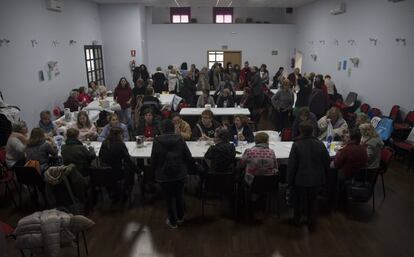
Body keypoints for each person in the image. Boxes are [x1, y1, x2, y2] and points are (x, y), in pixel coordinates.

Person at [287, 121, 331, 228]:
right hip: (316, 178)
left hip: (300, 178)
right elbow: (327, 161)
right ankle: (312, 220)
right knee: (313, 200)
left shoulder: (297, 144)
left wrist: (289, 181)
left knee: (298, 201)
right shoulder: (320, 144)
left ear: (301, 131)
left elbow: (292, 165)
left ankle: (297, 220)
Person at [151, 119, 193, 229]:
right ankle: (181, 217)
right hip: (179, 173)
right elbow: (188, 156)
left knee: (169, 199)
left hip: (164, 175)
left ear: (162, 129)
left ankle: (173, 222)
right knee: (179, 196)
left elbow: (153, 160)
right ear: (173, 127)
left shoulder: (157, 141)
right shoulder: (180, 139)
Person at [99, 127, 136, 202]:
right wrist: (139, 171)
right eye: (122, 135)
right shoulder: (120, 144)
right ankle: (127, 190)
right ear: (118, 135)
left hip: (105, 171)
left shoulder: (104, 143)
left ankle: (114, 191)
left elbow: (100, 156)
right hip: (117, 172)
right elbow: (128, 160)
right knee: (130, 169)